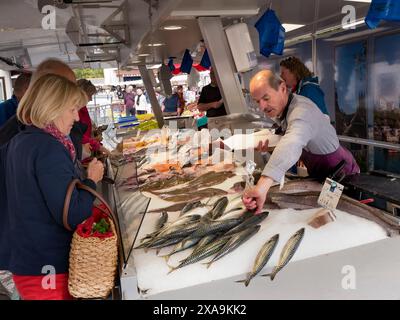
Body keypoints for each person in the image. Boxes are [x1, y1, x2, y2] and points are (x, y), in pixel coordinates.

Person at [3, 74, 104, 300]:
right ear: (53, 107)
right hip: (46, 265)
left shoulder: (22, 140)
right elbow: (73, 213)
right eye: (71, 109)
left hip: (28, 260)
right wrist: (91, 180)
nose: (77, 117)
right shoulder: (48, 148)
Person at [242, 70, 359, 214]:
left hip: (341, 178)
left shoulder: (302, 111)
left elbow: (292, 142)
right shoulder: (285, 110)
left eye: (266, 98)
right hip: (320, 176)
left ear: (283, 88)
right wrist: (271, 147)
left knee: (337, 217)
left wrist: (262, 186)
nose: (262, 107)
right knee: (317, 214)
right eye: (257, 101)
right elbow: (291, 139)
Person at [77, 79, 110, 159]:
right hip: (81, 154)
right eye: (90, 95)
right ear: (82, 94)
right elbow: (79, 136)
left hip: (87, 152)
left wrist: (96, 142)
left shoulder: (83, 108)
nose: (91, 99)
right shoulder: (78, 111)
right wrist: (99, 146)